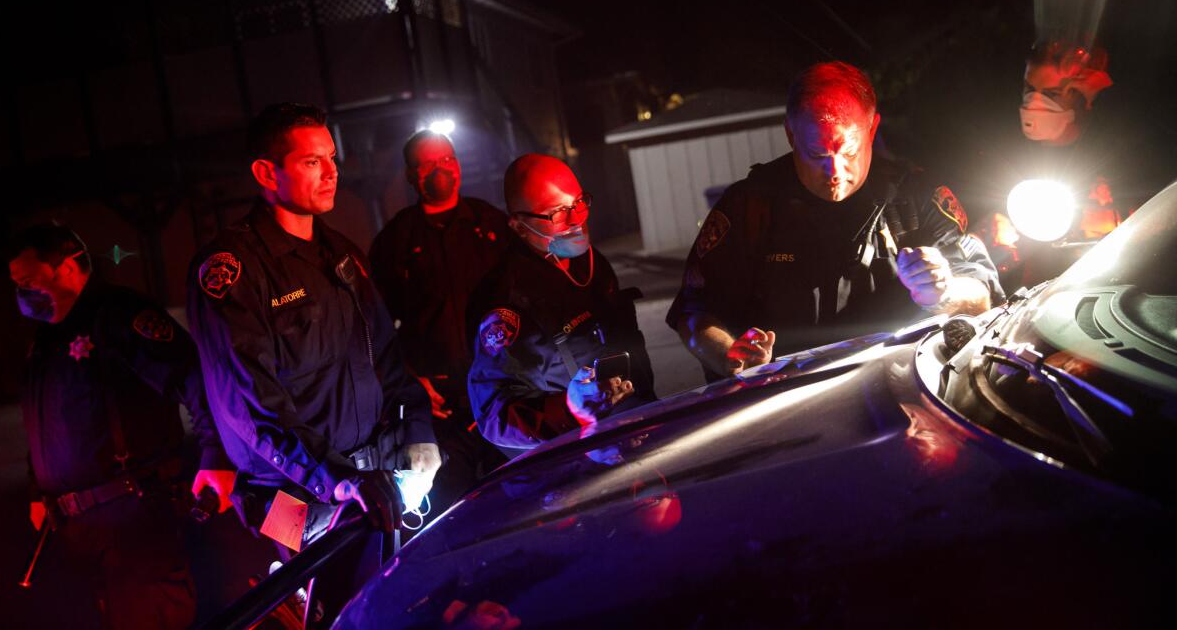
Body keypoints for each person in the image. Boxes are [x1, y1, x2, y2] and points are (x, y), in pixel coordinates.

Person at [186, 103, 440, 591]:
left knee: (411, 606)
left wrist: (419, 430)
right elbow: (252, 407)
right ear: (266, 172)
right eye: (311, 162)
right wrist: (338, 479)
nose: (331, 172)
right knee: (334, 611)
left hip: (376, 482)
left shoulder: (342, 254)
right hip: (298, 498)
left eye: (332, 158)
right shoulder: (231, 271)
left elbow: (387, 359)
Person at [667, 61, 1005, 381]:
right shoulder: (747, 206)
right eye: (817, 155)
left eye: (849, 152)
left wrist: (943, 291)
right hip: (779, 402)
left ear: (872, 129)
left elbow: (983, 293)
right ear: (790, 135)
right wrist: (730, 356)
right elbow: (694, 312)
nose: (834, 172)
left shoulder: (919, 197)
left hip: (906, 393)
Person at [8, 222, 233, 630]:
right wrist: (37, 492)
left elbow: (195, 378)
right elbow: (40, 425)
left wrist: (216, 455)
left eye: (28, 280)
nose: (21, 291)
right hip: (77, 534)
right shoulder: (44, 342)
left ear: (66, 267)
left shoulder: (119, 315)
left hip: (134, 525)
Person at [467, 154, 656, 457]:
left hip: (637, 437)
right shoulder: (505, 299)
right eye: (557, 213)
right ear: (517, 227)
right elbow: (492, 415)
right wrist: (569, 413)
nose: (576, 219)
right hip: (571, 467)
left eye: (579, 203)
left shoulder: (594, 266)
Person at [369, 130, 509, 510]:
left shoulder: (492, 225)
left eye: (447, 159)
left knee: (520, 493)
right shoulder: (395, 242)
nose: (441, 169)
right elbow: (375, 328)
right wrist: (410, 380)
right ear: (412, 175)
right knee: (452, 507)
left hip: (504, 392)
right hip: (440, 406)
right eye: (429, 163)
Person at [980, 39, 1161, 290]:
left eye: (1052, 94)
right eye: (1030, 88)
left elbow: (1153, 233)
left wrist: (1116, 222)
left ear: (1084, 95)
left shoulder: (1124, 156)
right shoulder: (1002, 149)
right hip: (1035, 298)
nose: (1034, 102)